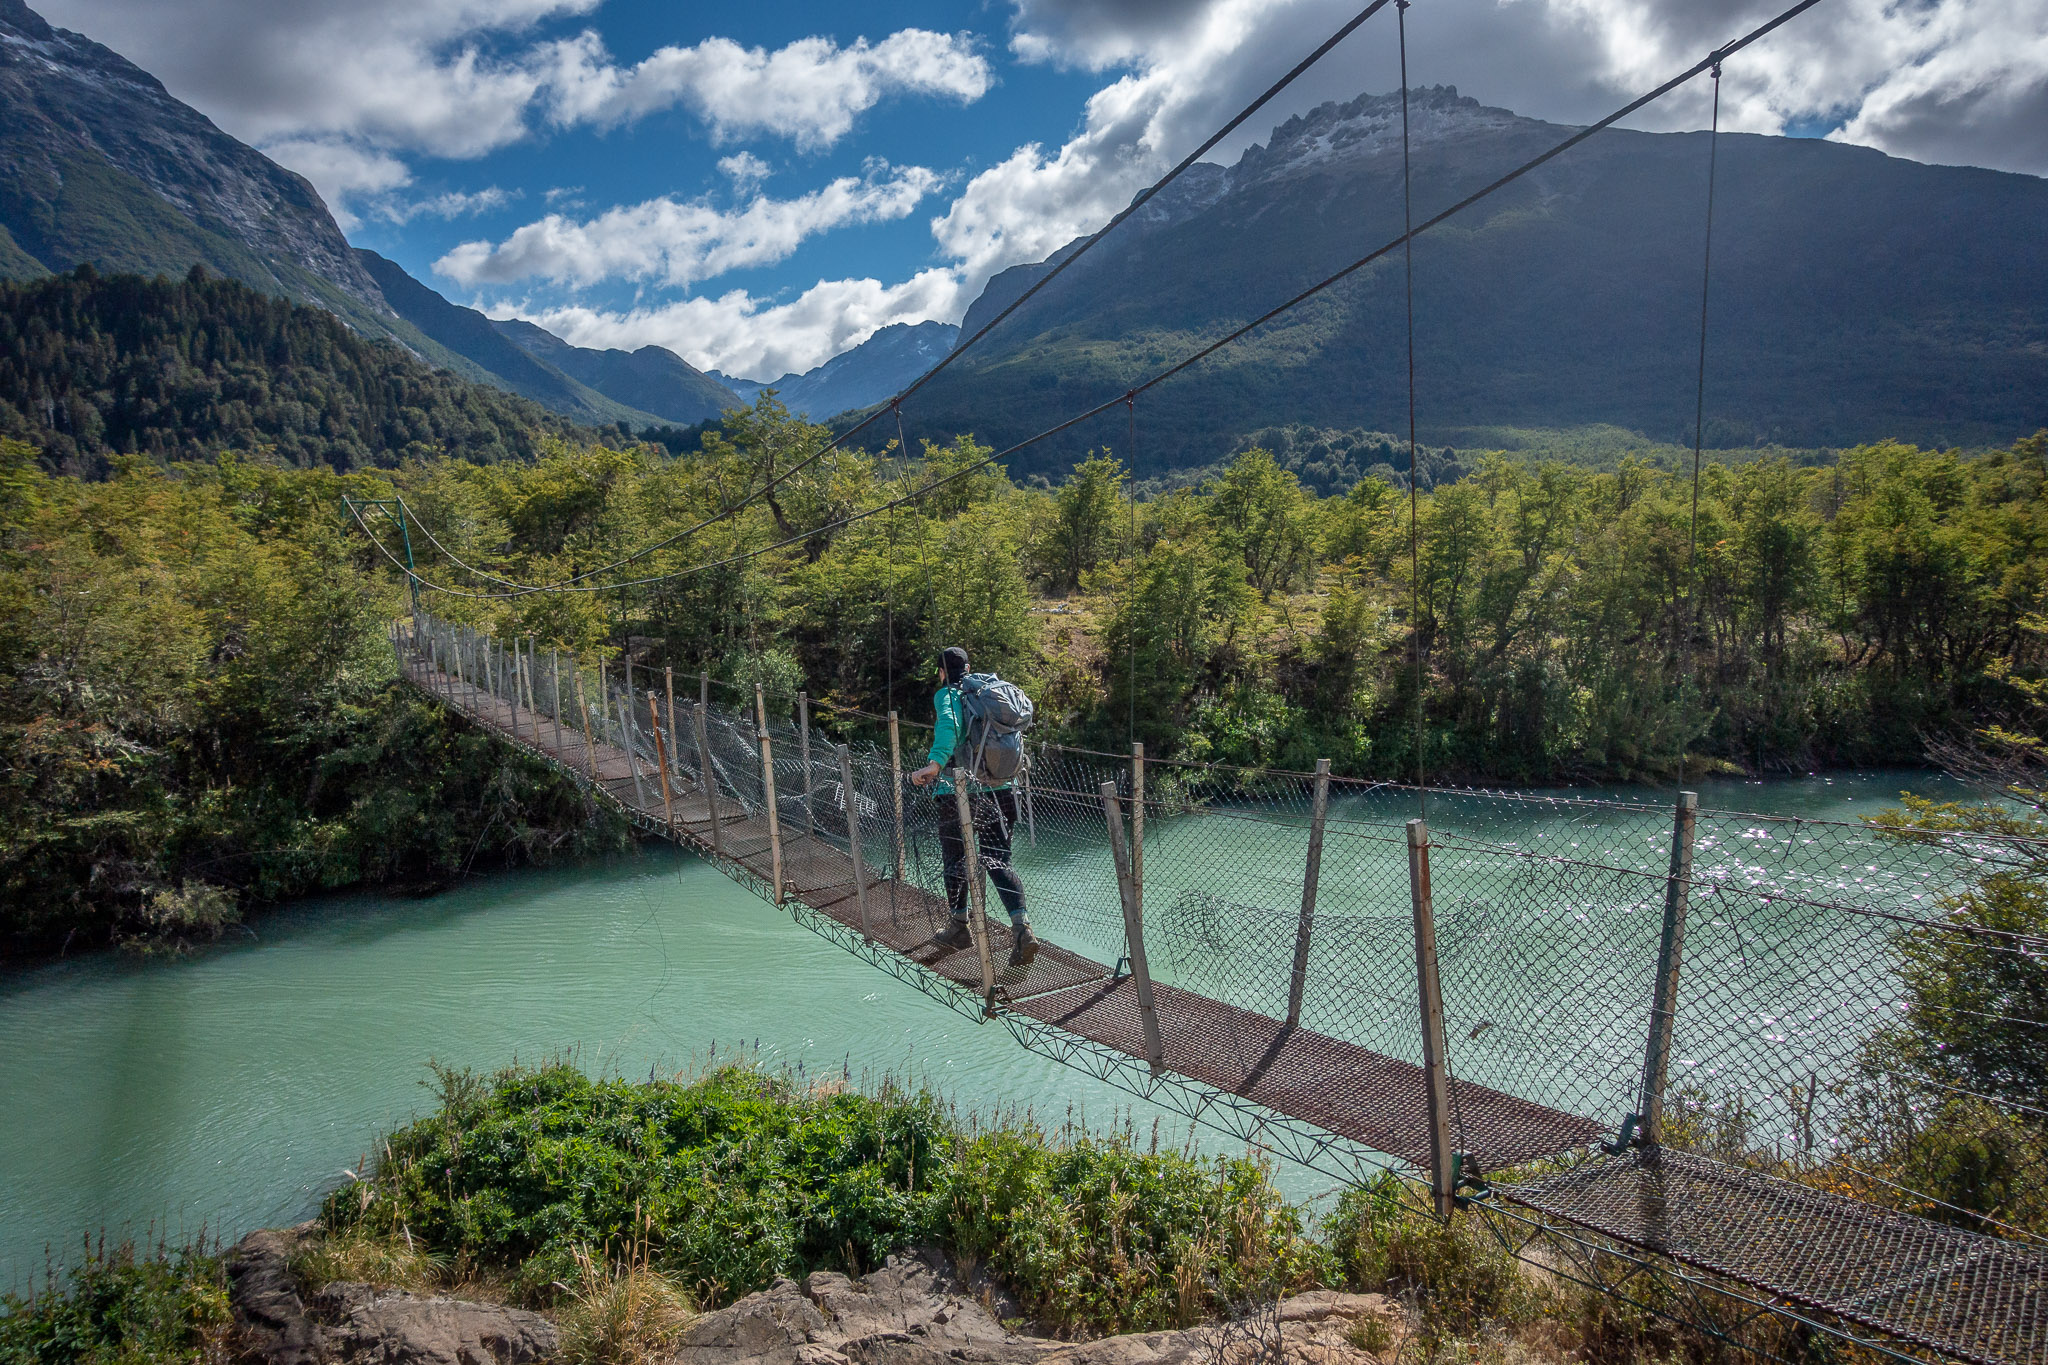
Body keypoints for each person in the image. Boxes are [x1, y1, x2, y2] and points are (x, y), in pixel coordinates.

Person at [911, 645, 1039, 965]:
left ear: (942, 672)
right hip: (1003, 788)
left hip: (959, 793)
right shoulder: (988, 692)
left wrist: (934, 764)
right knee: (998, 860)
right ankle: (1022, 928)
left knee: (954, 858)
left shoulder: (947, 694)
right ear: (968, 668)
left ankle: (958, 925)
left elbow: (950, 726)